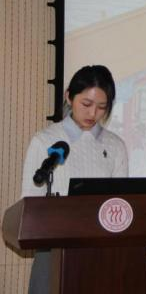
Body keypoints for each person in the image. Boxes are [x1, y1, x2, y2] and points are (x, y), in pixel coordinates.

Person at [21, 65, 128, 294]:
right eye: (86, 104)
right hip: (54, 252)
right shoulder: (45, 141)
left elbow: (120, 204)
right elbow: (29, 203)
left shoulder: (115, 146)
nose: (93, 114)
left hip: (101, 254)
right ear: (69, 96)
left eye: (101, 107)